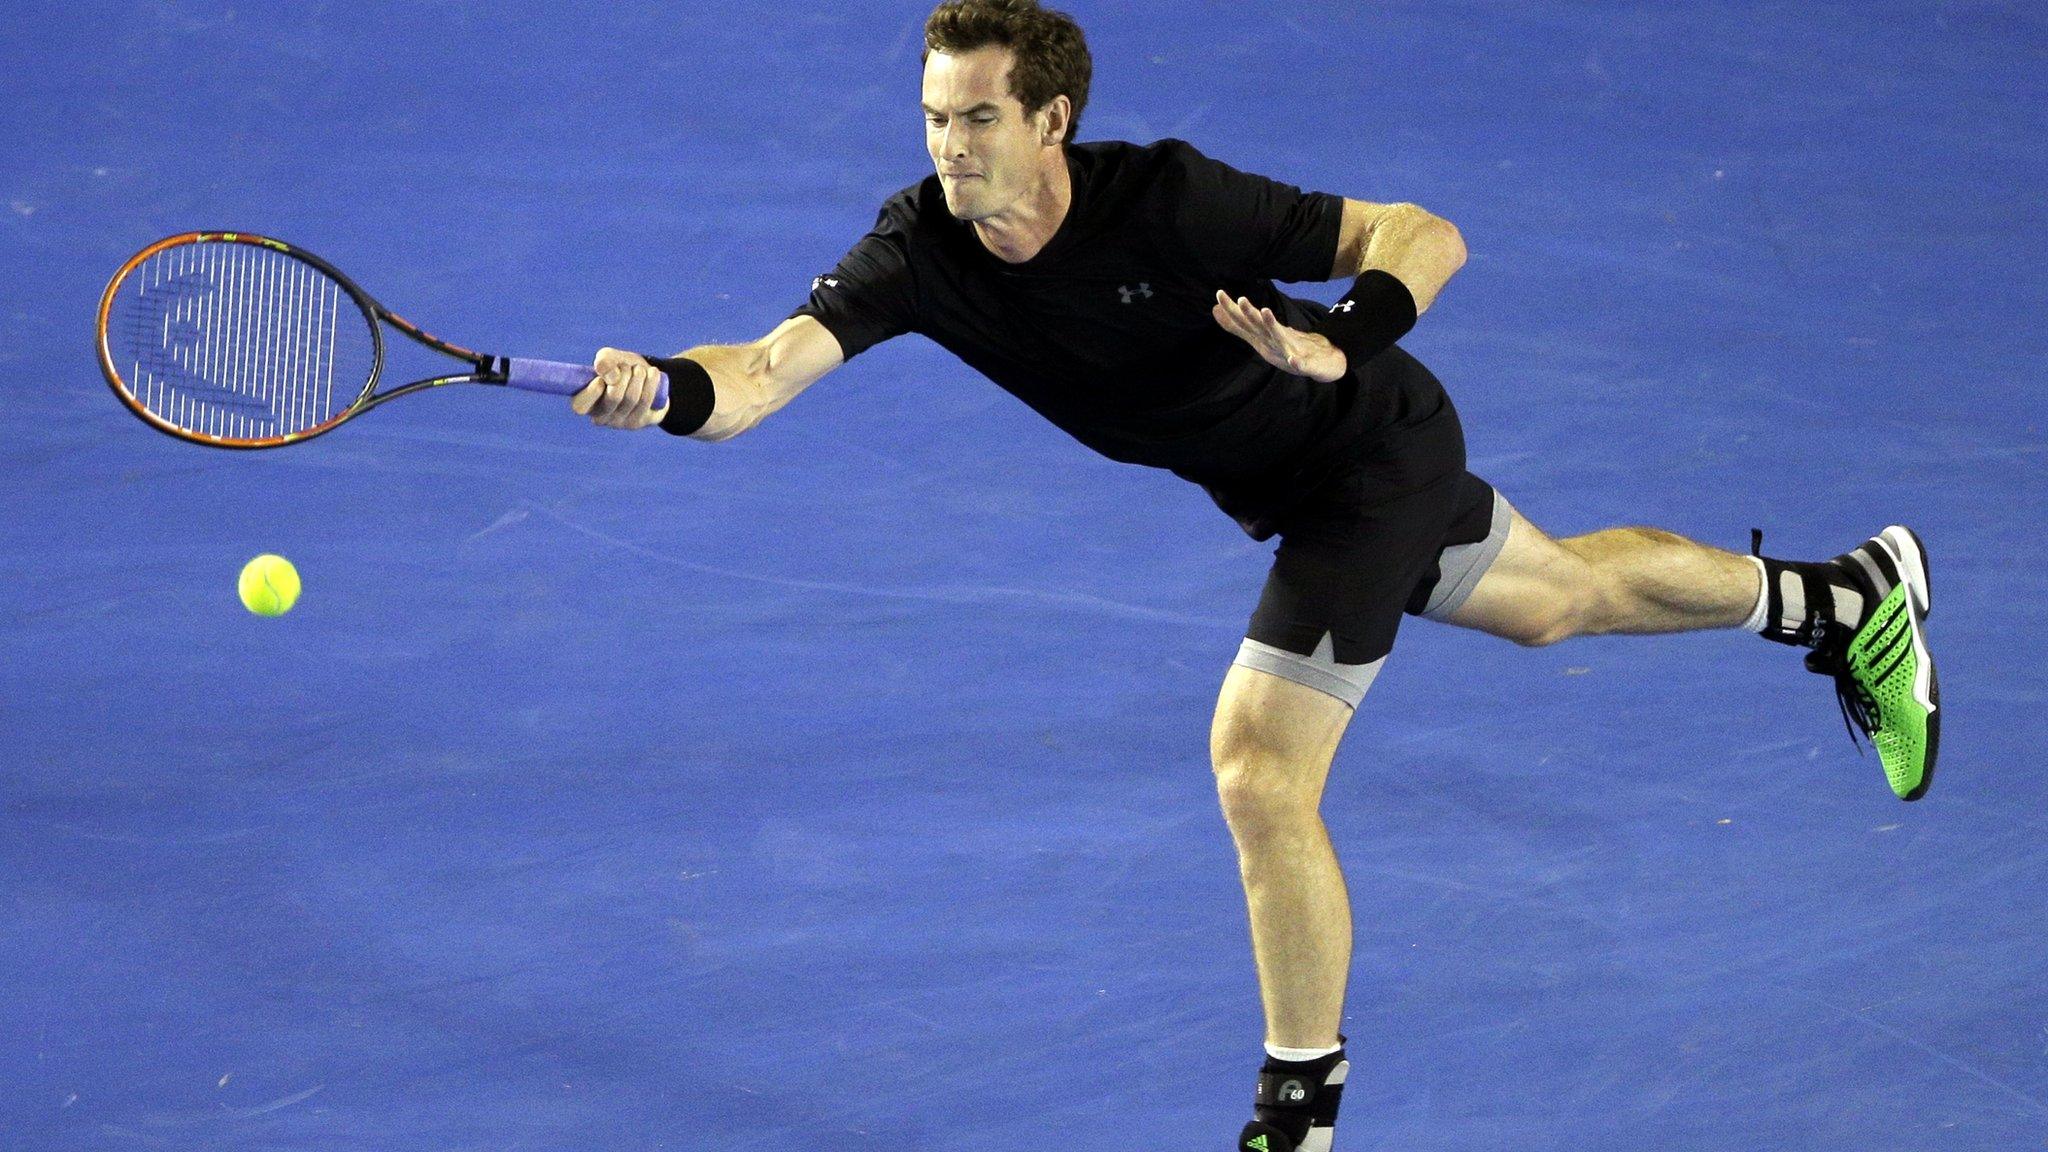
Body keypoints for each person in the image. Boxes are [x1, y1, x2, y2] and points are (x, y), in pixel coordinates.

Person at [570, 2, 1940, 1148]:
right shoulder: (919, 247)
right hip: (1287, 490)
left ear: (1050, 121)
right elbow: (756, 375)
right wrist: (664, 390)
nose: (948, 148)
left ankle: (1297, 1115)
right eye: (933, 116)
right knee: (1558, 604)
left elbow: (1422, 231)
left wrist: (1350, 334)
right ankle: (1848, 598)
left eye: (977, 118)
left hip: (1369, 451)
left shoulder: (1167, 201)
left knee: (1256, 763)